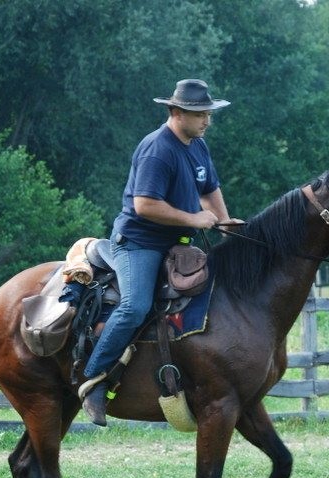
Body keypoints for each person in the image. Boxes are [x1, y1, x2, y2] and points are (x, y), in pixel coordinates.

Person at [79, 79, 241, 425]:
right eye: (200, 114)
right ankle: (94, 380)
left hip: (177, 244)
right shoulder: (157, 149)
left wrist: (225, 222)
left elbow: (210, 189)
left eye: (209, 113)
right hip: (139, 243)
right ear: (176, 112)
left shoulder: (198, 146)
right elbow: (145, 205)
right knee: (135, 306)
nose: (207, 120)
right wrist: (194, 219)